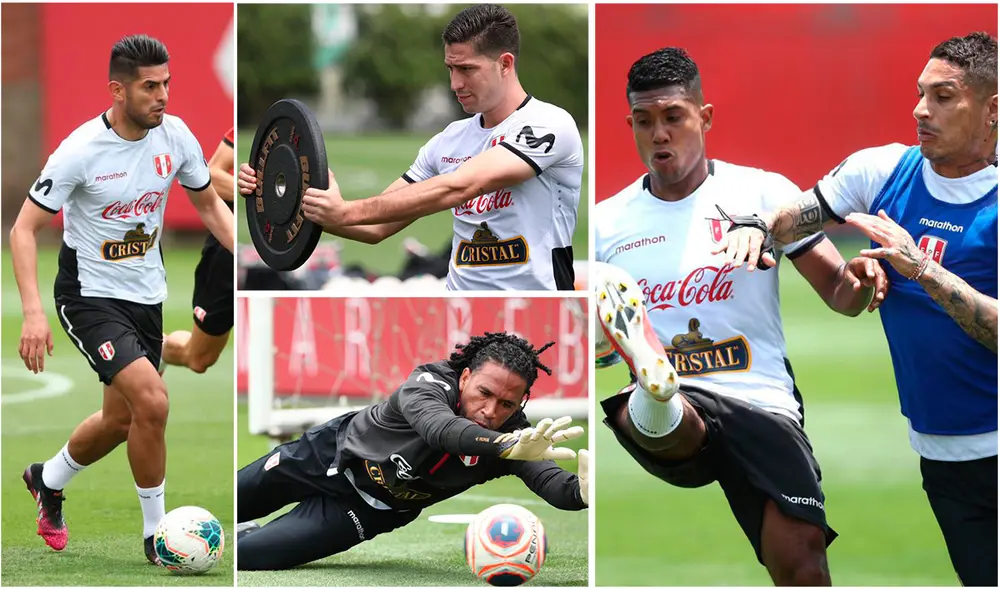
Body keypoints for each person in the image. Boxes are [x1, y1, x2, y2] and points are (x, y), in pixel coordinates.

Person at [594, 47, 892, 586]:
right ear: (631, 124)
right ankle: (654, 383)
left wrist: (863, 280)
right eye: (644, 121)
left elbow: (838, 293)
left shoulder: (763, 193)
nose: (659, 134)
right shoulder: (605, 224)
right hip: (678, 409)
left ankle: (653, 386)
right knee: (672, 411)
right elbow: (586, 350)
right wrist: (597, 343)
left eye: (673, 117)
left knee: (803, 564)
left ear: (703, 117)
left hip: (762, 399)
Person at [716, 32, 997, 586]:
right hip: (943, 456)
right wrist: (757, 228)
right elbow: (798, 216)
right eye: (920, 94)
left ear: (993, 110)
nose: (921, 110)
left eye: (943, 97)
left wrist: (921, 269)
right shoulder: (882, 171)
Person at [10, 34, 235, 563]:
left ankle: (48, 478)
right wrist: (34, 314)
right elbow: (23, 230)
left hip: (146, 297)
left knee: (120, 420)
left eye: (168, 84)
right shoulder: (79, 151)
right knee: (153, 402)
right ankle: (157, 536)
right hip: (88, 296)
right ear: (117, 90)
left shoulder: (174, 135)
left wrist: (248, 260)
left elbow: (207, 205)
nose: (163, 96)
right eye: (150, 87)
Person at [237, 4, 584, 291]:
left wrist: (345, 211)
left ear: (505, 64)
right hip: (460, 312)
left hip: (541, 311)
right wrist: (290, 201)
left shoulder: (548, 125)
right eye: (450, 68)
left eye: (467, 69)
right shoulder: (447, 141)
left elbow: (461, 185)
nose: (455, 83)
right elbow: (373, 229)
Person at [236, 332, 588, 570]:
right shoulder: (428, 384)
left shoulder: (515, 437)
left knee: (246, 556)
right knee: (232, 499)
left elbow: (552, 482)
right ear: (464, 378)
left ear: (521, 402)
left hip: (366, 511)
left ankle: (248, 535)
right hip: (324, 456)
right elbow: (442, 431)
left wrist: (582, 491)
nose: (490, 411)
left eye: (507, 404)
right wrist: (503, 445)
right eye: (484, 393)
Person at [162, 128, 235, 373]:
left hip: (276, 249)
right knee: (200, 358)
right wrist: (262, 198)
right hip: (229, 249)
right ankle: (157, 347)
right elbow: (212, 173)